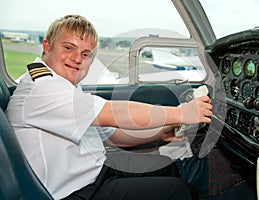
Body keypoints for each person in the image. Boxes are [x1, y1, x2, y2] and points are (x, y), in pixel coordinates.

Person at [6, 14, 212, 200]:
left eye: (86, 54)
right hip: (75, 193)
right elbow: (113, 113)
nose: (77, 59)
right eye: (68, 48)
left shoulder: (65, 88)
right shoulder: (44, 88)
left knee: (167, 168)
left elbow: (112, 135)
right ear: (47, 46)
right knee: (178, 191)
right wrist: (181, 112)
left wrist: (159, 133)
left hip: (94, 174)